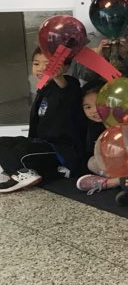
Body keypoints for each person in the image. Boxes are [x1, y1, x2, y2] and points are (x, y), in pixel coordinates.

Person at [0, 48, 86, 192]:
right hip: (42, 145)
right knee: (5, 143)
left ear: (64, 67)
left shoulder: (68, 85)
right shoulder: (44, 90)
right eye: (36, 63)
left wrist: (58, 77)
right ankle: (51, 171)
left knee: (21, 154)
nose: (40, 68)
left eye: (47, 64)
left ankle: (23, 173)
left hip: (61, 150)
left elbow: (67, 91)